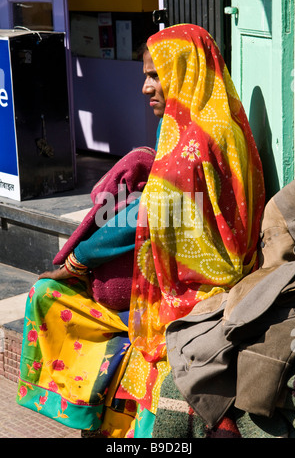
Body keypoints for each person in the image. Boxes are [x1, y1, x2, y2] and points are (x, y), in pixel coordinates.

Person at [16, 24, 265, 438]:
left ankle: (88, 416)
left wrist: (75, 261)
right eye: (145, 77)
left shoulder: (189, 147)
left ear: (185, 71)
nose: (147, 88)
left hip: (191, 296)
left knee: (47, 298)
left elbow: (141, 218)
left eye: (155, 75)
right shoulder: (228, 125)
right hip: (233, 281)